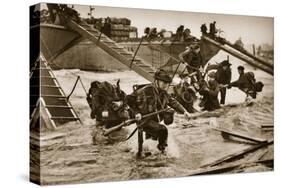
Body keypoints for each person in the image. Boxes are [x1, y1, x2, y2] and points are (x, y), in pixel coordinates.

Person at [126, 69, 190, 156]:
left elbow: (173, 102)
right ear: (157, 81)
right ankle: (162, 152)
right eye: (163, 83)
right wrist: (137, 112)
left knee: (153, 140)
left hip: (154, 120)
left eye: (167, 83)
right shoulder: (145, 90)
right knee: (163, 130)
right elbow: (128, 99)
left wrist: (184, 111)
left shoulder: (163, 93)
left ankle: (150, 153)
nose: (165, 85)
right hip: (144, 120)